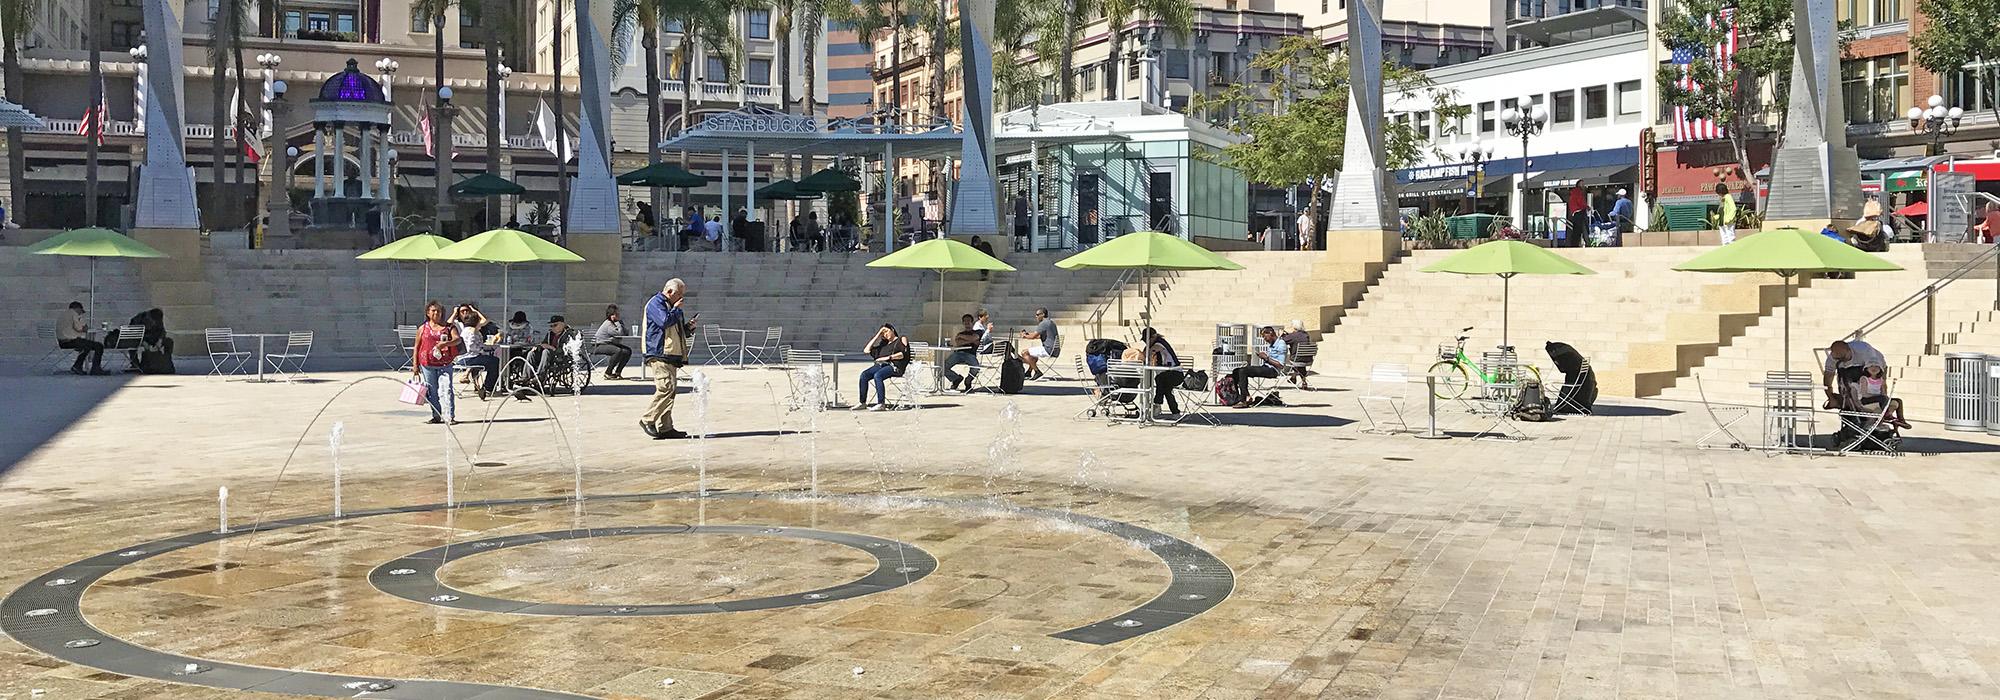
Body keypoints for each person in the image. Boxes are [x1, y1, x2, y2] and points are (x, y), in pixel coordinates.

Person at [641, 279, 696, 439]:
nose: (681, 298)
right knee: (666, 388)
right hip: (658, 352)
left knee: (670, 391)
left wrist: (688, 328)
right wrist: (677, 310)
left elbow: (675, 331)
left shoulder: (671, 307)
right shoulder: (655, 303)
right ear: (670, 292)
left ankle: (665, 427)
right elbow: (664, 322)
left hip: (670, 353)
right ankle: (647, 419)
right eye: (679, 294)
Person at [411, 301, 461, 424]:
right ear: (428, 313)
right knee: (431, 391)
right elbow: (417, 347)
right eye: (433, 311)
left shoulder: (449, 327)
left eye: (438, 311)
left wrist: (446, 343)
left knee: (447, 389)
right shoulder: (423, 328)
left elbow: (457, 339)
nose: (436, 313)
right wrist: (415, 365)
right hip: (427, 363)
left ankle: (450, 415)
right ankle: (436, 414)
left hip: (445, 363)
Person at [1229, 326, 1287, 409]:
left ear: (1270, 333)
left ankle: (1243, 400)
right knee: (1236, 371)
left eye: (1264, 336)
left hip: (1273, 370)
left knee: (1243, 371)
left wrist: (1266, 358)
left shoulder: (1281, 344)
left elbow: (1281, 365)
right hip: (1266, 367)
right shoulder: (1271, 344)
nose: (1264, 339)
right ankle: (1247, 396)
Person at [855, 323, 909, 411]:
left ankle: (881, 403)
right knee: (864, 375)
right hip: (882, 366)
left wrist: (888, 358)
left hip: (895, 366)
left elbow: (903, 354)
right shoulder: (883, 345)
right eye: (883, 334)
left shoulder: (901, 339)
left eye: (887, 331)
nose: (885, 334)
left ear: (893, 330)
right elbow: (866, 350)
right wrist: (878, 334)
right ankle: (862, 402)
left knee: (878, 375)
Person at [452, 304, 501, 400]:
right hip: (470, 357)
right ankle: (488, 387)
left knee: (490, 360)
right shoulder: (473, 332)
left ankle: (485, 386)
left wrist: (488, 348)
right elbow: (473, 347)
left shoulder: (465, 330)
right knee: (494, 361)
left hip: (463, 358)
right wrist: (486, 350)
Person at [1821, 338, 1886, 410]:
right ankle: (1848, 408)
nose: (1841, 360)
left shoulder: (1864, 350)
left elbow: (1875, 371)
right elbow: (1827, 379)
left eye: (1843, 357)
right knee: (1846, 387)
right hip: (1850, 369)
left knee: (1866, 387)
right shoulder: (1832, 358)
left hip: (1875, 366)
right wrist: (1831, 398)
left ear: (1849, 350)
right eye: (1838, 359)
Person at [1140, 327, 1184, 415]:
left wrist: (1145, 351)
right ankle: (1174, 411)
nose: (1145, 342)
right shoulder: (1155, 343)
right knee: (1166, 389)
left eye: (1146, 340)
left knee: (1159, 379)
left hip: (1176, 373)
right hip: (1168, 374)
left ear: (1153, 337)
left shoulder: (1160, 343)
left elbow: (1149, 352)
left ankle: (1157, 404)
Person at [56, 301, 105, 375]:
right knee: (99, 346)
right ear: (78, 308)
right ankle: (95, 368)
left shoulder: (63, 314)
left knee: (86, 346)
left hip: (61, 342)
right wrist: (84, 326)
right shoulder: (74, 314)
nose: (81, 313)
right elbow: (79, 328)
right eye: (81, 312)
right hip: (71, 340)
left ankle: (77, 366)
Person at [527, 315, 578, 380]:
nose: (553, 328)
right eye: (551, 326)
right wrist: (538, 347)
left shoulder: (568, 334)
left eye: (555, 325)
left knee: (546, 351)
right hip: (547, 356)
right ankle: (526, 376)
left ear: (562, 324)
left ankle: (540, 376)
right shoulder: (550, 333)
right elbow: (544, 343)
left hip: (560, 357)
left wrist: (551, 348)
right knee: (531, 353)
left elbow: (566, 350)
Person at [940, 314, 983, 393]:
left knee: (975, 367)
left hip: (970, 354)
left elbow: (975, 337)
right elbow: (958, 343)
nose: (967, 323)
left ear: (972, 322)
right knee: (942, 367)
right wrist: (971, 341)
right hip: (958, 353)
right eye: (965, 321)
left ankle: (968, 381)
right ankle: (956, 379)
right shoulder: (961, 333)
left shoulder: (978, 332)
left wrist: (964, 338)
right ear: (963, 323)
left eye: (968, 321)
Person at [591, 304, 633, 379]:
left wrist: (621, 324)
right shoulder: (609, 324)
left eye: (618, 313)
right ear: (611, 315)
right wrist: (618, 323)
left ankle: (618, 372)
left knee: (627, 351)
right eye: (616, 314)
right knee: (617, 351)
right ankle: (608, 372)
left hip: (608, 344)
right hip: (599, 345)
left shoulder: (616, 323)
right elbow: (620, 333)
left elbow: (625, 333)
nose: (617, 315)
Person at [1017, 307, 1059, 380]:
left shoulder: (1043, 323)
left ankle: (1037, 371)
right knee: (1033, 356)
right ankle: (1029, 372)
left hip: (1048, 349)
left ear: (1042, 314)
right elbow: (1040, 336)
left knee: (1024, 353)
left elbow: (1033, 336)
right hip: (1055, 349)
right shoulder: (1051, 322)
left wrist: (1024, 336)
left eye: (1037, 315)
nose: (1036, 316)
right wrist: (1027, 335)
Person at [1280, 320, 1312, 389]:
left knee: (1296, 361)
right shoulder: (1306, 335)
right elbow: (1296, 339)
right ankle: (1297, 379)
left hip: (1296, 359)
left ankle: (1297, 379)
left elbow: (1282, 341)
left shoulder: (1293, 335)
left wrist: (1283, 335)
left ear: (1294, 327)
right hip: (1308, 359)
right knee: (1300, 361)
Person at [1565, 184, 1589, 248]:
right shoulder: (1578, 192)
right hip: (1580, 211)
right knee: (1584, 229)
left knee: (1576, 230)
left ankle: (1574, 244)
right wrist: (1586, 207)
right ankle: (1587, 243)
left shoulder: (1572, 194)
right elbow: (1581, 201)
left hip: (1575, 212)